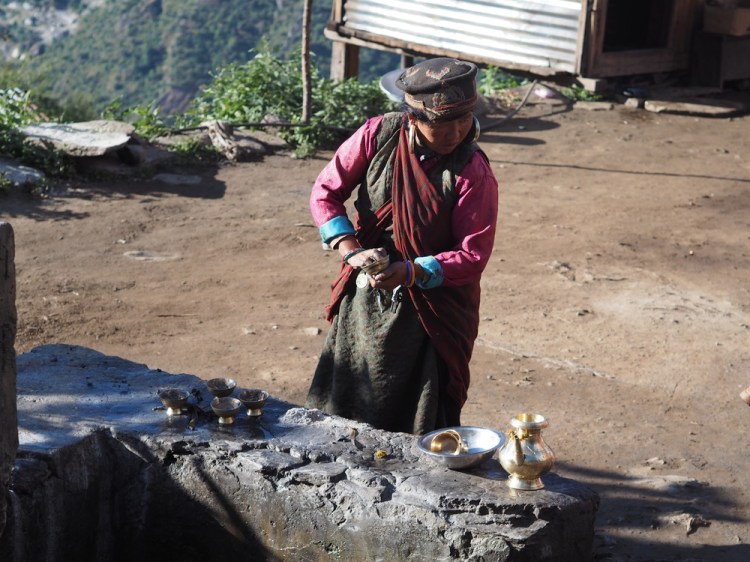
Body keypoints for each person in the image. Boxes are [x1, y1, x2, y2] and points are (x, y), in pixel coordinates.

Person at [305, 57, 499, 435]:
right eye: (442, 123)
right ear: (412, 118)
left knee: (418, 409)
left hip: (432, 308)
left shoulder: (472, 169)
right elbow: (325, 191)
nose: (457, 132)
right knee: (350, 386)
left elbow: (473, 253)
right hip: (366, 289)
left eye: (464, 119)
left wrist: (411, 272)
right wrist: (350, 249)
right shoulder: (377, 136)